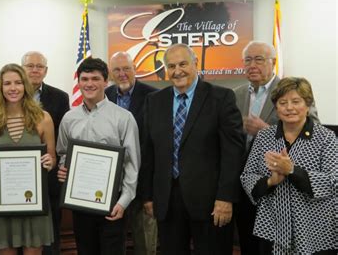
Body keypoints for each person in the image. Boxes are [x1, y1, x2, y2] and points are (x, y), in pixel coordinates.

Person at [140, 43, 244, 255]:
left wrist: (225, 198)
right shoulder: (154, 101)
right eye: (171, 66)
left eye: (183, 64)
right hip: (167, 201)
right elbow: (148, 152)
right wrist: (148, 196)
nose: (177, 71)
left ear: (196, 63)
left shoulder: (221, 98)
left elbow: (232, 153)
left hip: (211, 203)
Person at [234, 41, 320, 255]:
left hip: (281, 182)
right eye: (248, 60)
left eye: (259, 59)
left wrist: (266, 129)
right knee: (248, 240)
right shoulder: (236, 94)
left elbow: (314, 127)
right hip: (245, 181)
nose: (252, 65)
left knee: (277, 244)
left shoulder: (290, 90)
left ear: (273, 63)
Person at [240, 77, 337, 254]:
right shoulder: (264, 137)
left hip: (315, 229)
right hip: (272, 227)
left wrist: (292, 171)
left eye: (296, 101)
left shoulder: (326, 137)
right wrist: (270, 182)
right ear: (276, 108)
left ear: (307, 105)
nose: (289, 107)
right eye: (283, 102)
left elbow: (334, 181)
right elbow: (247, 176)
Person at [57, 57, 140, 255]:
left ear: (106, 81)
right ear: (79, 83)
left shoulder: (123, 117)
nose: (89, 84)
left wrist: (124, 201)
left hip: (112, 205)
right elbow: (63, 153)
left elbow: (132, 164)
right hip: (80, 202)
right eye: (84, 79)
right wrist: (63, 169)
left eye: (95, 78)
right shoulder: (69, 118)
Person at [0, 63, 55, 255]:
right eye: (7, 83)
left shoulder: (43, 118)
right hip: (4, 203)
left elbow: (52, 159)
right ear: (0, 87)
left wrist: (49, 162)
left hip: (34, 203)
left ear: (26, 86)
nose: (13, 88)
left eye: (18, 83)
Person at [106, 51, 158, 255]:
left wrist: (150, 193)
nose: (122, 74)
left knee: (145, 242)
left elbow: (156, 144)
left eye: (126, 68)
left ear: (135, 69)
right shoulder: (105, 95)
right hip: (111, 185)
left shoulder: (154, 96)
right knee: (113, 242)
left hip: (144, 182)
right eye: (117, 70)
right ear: (110, 73)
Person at [21, 51, 70, 255]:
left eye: (39, 66)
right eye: (30, 65)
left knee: (51, 235)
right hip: (18, 177)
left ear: (46, 71)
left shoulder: (60, 97)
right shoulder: (10, 95)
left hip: (48, 177)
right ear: (22, 69)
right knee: (20, 234)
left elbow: (62, 137)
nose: (34, 70)